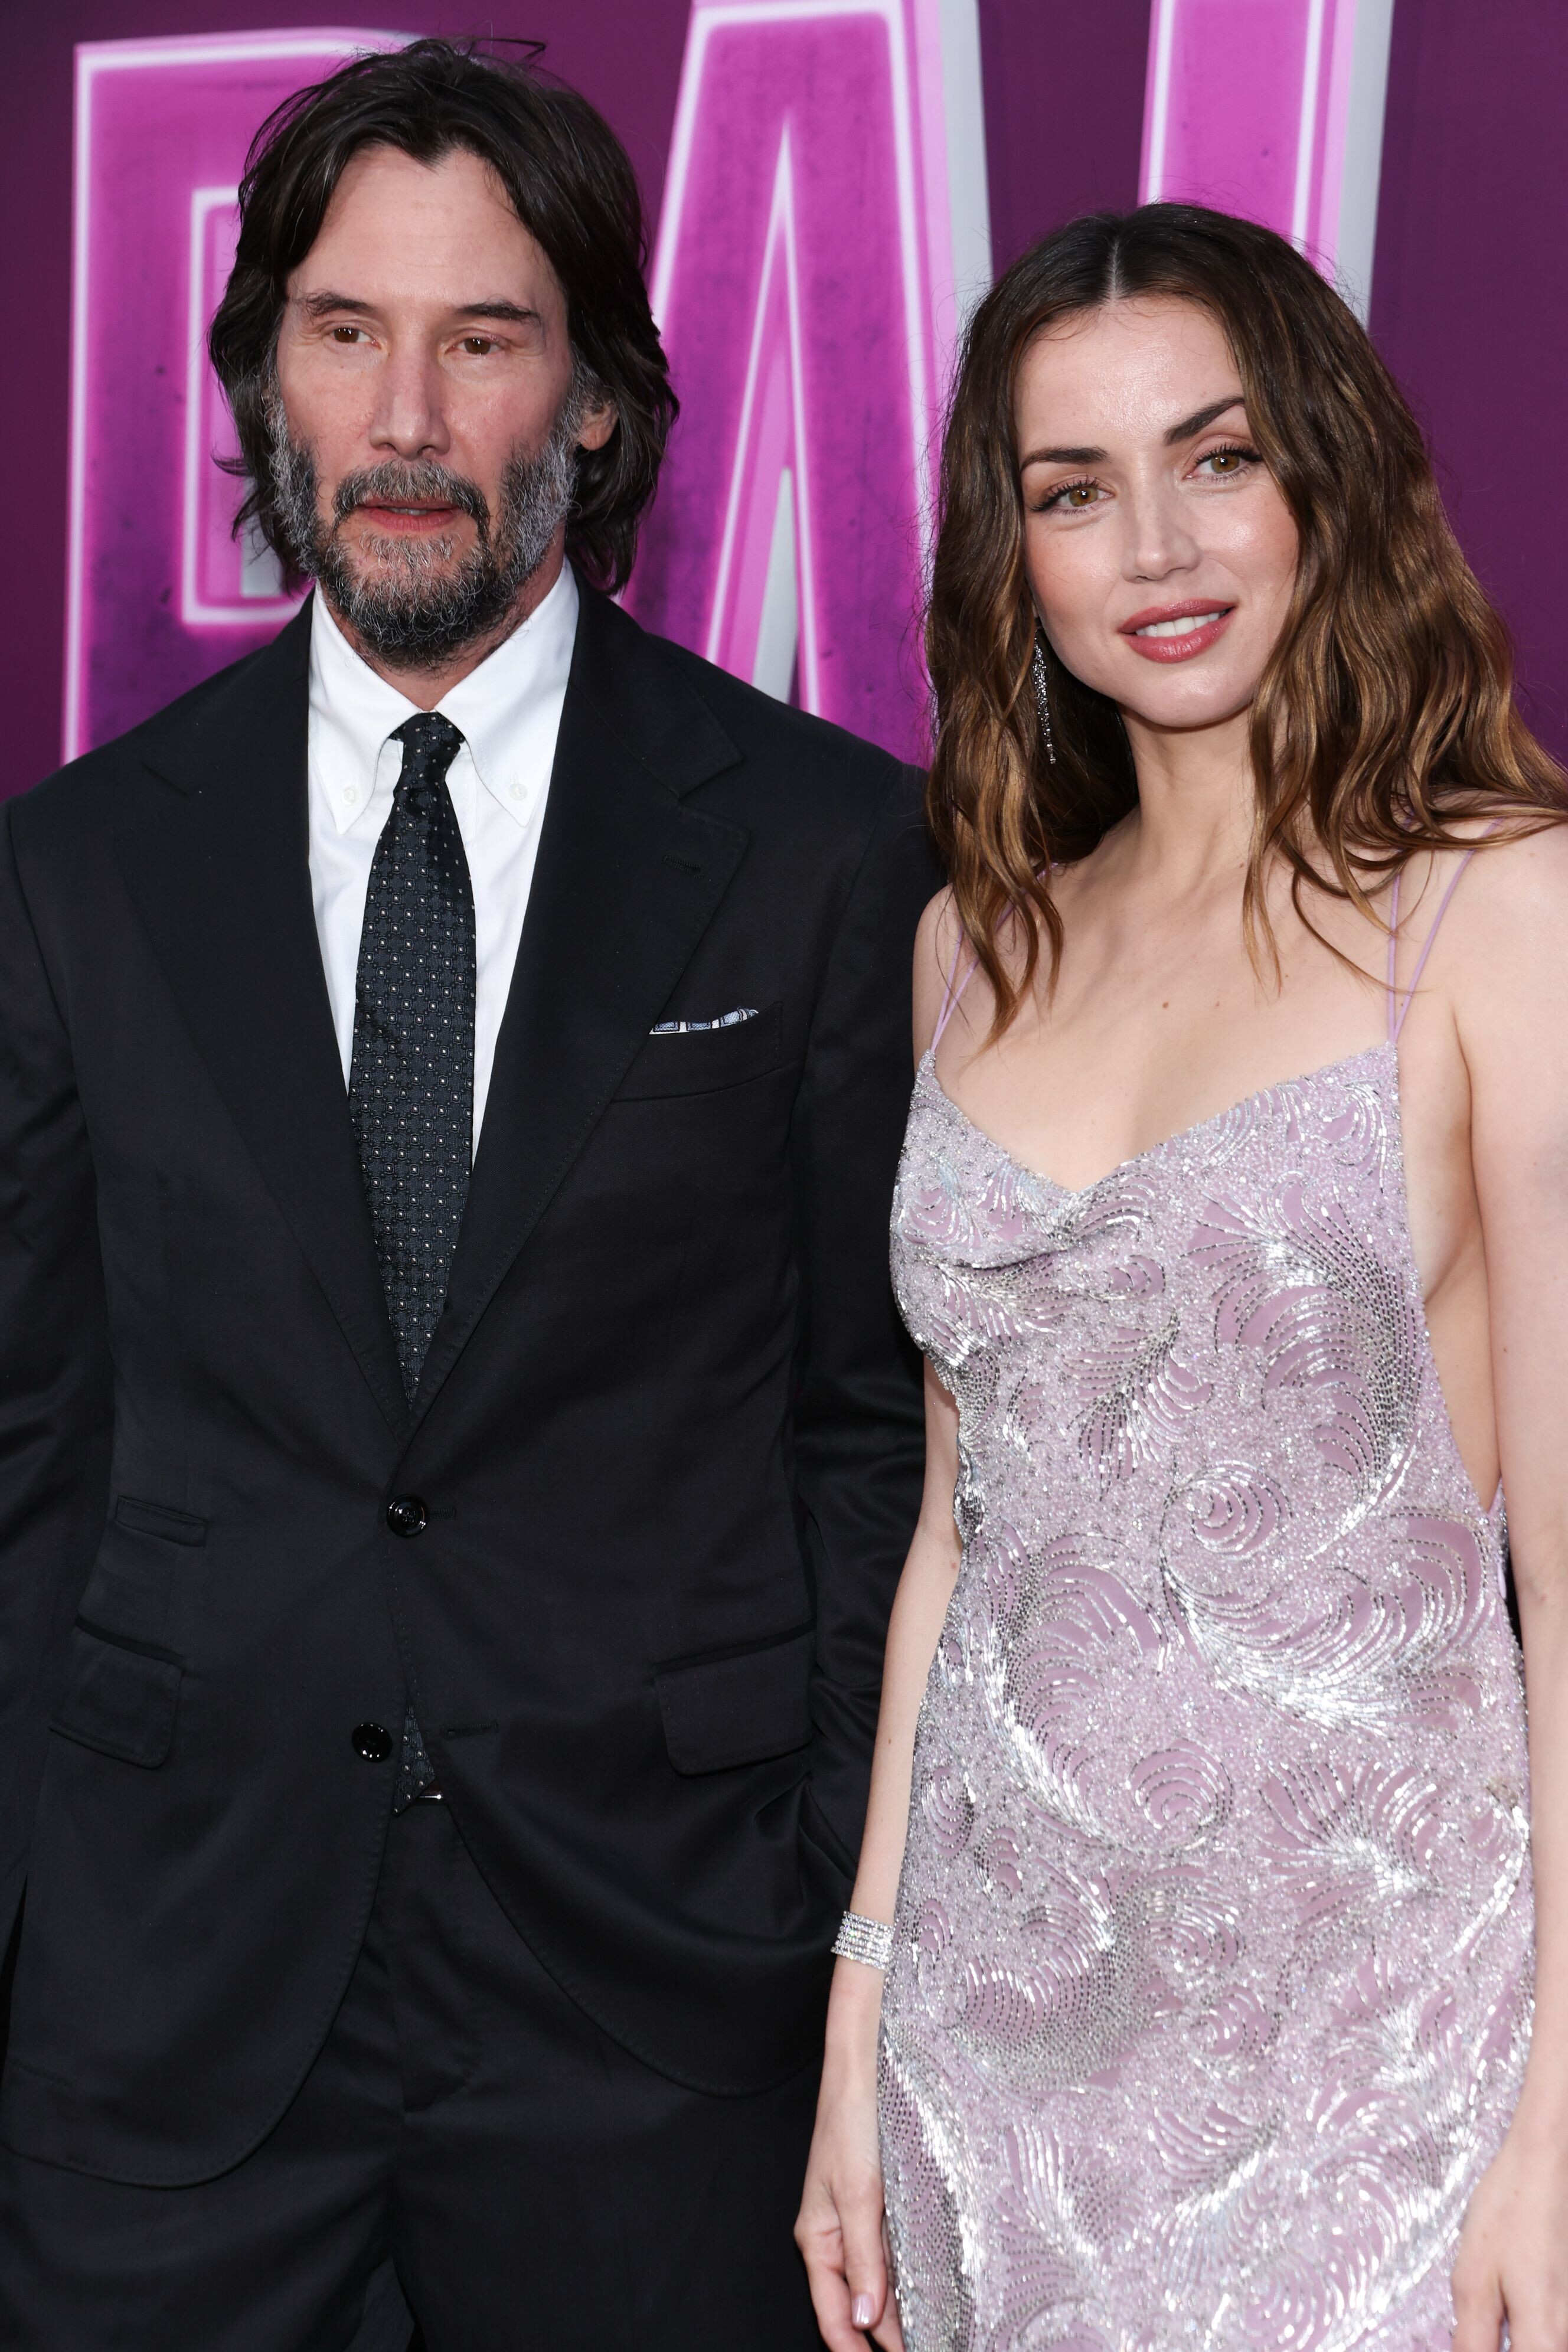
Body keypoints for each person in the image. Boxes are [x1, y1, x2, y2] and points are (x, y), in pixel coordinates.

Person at [0, 39, 933, 2350]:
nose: (405, 417)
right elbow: (36, 1449)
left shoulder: (825, 851)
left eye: (484, 339)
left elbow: (876, 1430)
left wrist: (817, 1895)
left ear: (596, 403)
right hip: (170, 2011)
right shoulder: (76, 872)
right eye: (345, 332)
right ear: (267, 382)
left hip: (660, 2009)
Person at [797, 203, 1568, 2352]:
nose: (1158, 544)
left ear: (1325, 476)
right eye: (1074, 489)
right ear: (1015, 557)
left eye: (1217, 458)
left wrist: (1560, 2119)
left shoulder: (1500, 910)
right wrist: (860, 2027)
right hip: (994, 2066)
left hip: (1381, 2067)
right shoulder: (973, 950)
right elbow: (961, 1541)